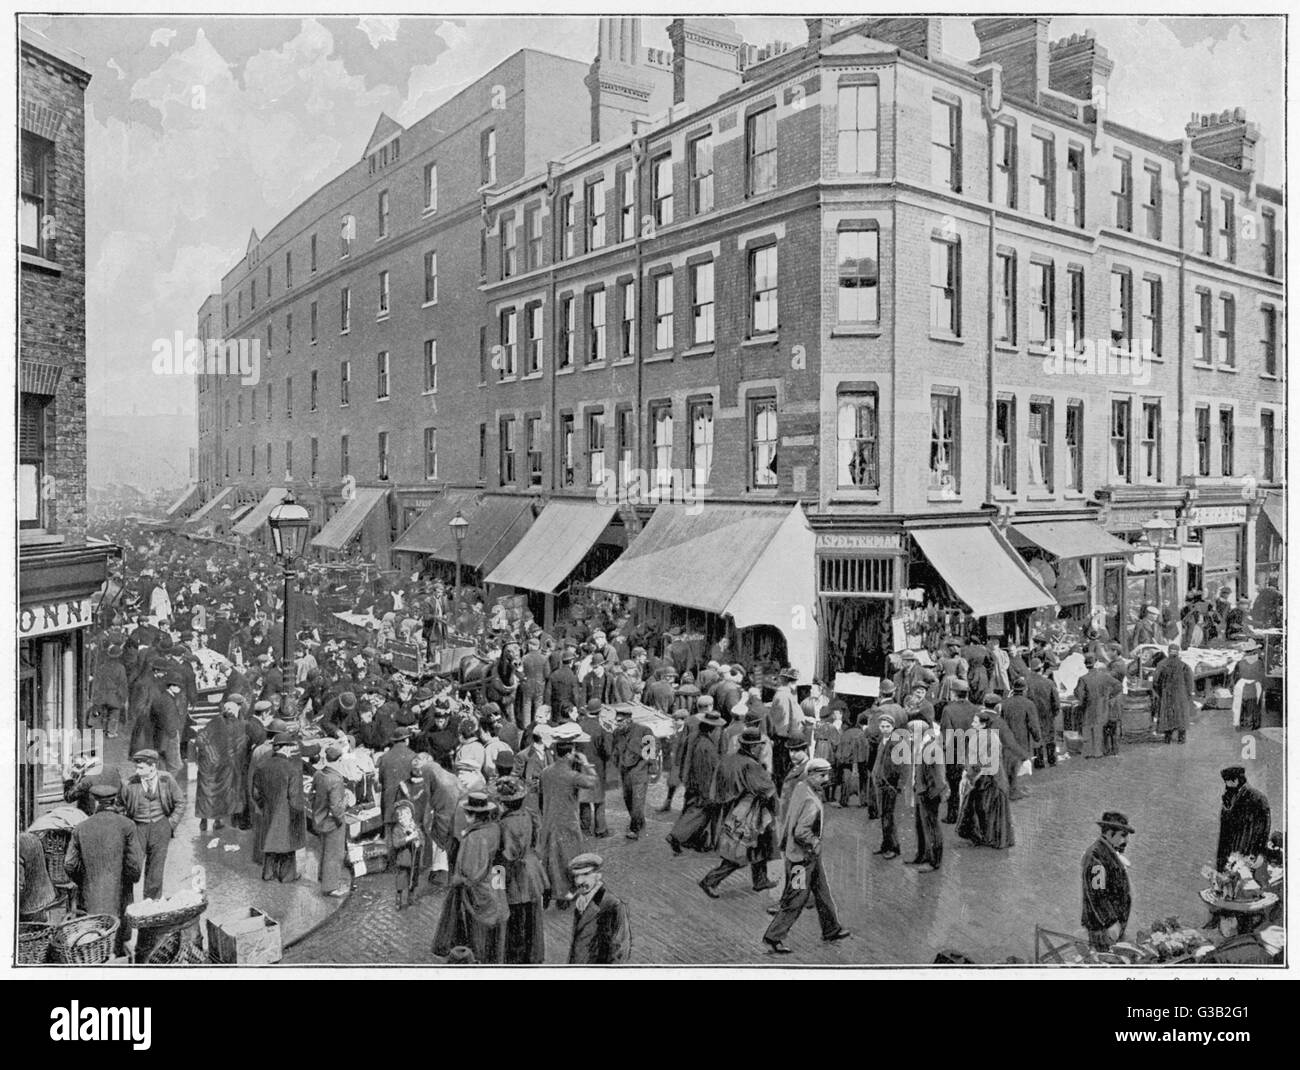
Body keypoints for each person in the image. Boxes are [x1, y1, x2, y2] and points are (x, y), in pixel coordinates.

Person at [762, 759, 851, 954]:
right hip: (803, 858)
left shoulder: (802, 787)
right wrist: (815, 842)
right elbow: (802, 832)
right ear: (811, 775)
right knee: (796, 898)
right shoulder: (811, 800)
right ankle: (773, 936)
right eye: (822, 775)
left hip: (805, 856)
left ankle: (831, 928)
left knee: (822, 892)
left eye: (827, 774)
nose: (826, 779)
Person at [698, 728, 778, 898]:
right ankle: (710, 880)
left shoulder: (728, 759)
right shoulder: (751, 765)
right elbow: (767, 788)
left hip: (729, 809)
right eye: (757, 746)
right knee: (739, 852)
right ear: (751, 747)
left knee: (757, 846)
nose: (759, 749)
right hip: (747, 812)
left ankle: (760, 880)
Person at [432, 791, 507, 963]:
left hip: (478, 892)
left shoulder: (474, 837)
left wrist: (457, 880)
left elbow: (470, 872)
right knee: (494, 927)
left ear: (472, 815)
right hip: (495, 883)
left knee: (477, 933)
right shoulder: (494, 827)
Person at [538, 724, 598, 908]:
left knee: (551, 859)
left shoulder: (545, 772)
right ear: (570, 752)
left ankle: (549, 891)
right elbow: (593, 782)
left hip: (549, 822)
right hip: (568, 824)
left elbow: (541, 798)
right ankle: (565, 895)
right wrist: (586, 764)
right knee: (570, 860)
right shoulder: (572, 775)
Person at [118, 749, 185, 900]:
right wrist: (128, 826)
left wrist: (170, 824)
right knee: (132, 867)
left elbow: (180, 802)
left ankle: (152, 904)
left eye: (140, 767)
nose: (137, 770)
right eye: (136, 767)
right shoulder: (129, 783)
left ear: (152, 766)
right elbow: (119, 807)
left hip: (161, 827)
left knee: (156, 869)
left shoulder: (166, 779)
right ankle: (127, 905)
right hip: (138, 828)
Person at [495, 776, 548, 964]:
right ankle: (533, 958)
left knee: (515, 925)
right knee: (532, 919)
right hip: (532, 872)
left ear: (504, 803)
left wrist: (496, 885)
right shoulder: (529, 814)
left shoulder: (503, 824)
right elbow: (535, 842)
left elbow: (505, 856)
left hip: (514, 878)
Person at [666, 709, 724, 854]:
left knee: (693, 812)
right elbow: (707, 770)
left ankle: (695, 840)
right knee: (698, 814)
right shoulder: (707, 747)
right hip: (703, 786)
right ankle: (677, 836)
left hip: (692, 782)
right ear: (712, 728)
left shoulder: (695, 738)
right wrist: (708, 792)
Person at [252, 733, 307, 882]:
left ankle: (268, 873)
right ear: (286, 748)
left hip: (269, 811)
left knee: (270, 844)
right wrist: (298, 816)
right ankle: (287, 876)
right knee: (287, 847)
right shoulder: (292, 769)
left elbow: (256, 793)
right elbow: (295, 798)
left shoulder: (262, 766)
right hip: (287, 814)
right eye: (289, 747)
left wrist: (265, 806)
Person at [956, 711, 1015, 850]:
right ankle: (994, 837)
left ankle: (983, 836)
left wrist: (968, 774)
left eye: (975, 722)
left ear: (982, 725)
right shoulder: (992, 735)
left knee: (980, 806)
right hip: (996, 777)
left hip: (986, 778)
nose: (972, 724)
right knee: (991, 808)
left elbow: (977, 761)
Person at [1081, 811, 1135, 951]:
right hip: (1103, 928)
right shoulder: (1096, 855)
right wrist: (1110, 922)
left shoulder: (1107, 853)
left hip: (1112, 927)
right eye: (1122, 835)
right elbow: (1097, 894)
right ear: (1110, 833)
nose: (1126, 841)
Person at [567, 852, 632, 964]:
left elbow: (619, 950)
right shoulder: (581, 901)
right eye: (576, 876)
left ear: (598, 875)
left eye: (585, 874)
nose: (579, 881)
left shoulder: (613, 905)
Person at [311, 744, 349, 898]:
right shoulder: (336, 779)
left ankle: (322, 876)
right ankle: (330, 887)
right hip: (332, 822)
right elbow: (336, 807)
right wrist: (346, 801)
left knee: (324, 851)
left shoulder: (318, 774)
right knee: (334, 854)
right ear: (339, 760)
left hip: (319, 819)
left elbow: (312, 795)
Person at [908, 719, 947, 872]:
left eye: (912, 733)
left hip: (928, 793)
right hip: (920, 791)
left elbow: (939, 776)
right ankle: (922, 855)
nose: (910, 736)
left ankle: (934, 861)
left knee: (931, 827)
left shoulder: (931, 748)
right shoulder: (922, 745)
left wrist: (934, 793)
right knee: (920, 825)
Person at [610, 704, 653, 840]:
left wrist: (651, 769)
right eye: (617, 721)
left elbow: (651, 750)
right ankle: (640, 824)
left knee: (637, 802)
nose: (618, 723)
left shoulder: (644, 730)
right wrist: (617, 765)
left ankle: (634, 829)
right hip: (625, 772)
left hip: (640, 771)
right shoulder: (617, 733)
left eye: (620, 721)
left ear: (629, 720)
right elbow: (614, 751)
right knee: (628, 800)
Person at [194, 697, 237, 832]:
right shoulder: (232, 725)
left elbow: (200, 739)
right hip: (220, 765)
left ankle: (204, 820)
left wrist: (207, 755)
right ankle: (217, 820)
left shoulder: (214, 721)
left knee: (205, 793)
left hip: (208, 764)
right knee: (220, 793)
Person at [1216, 767, 1271, 870]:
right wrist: (1220, 864)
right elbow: (1224, 835)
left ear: (1235, 781)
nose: (1226, 786)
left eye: (1227, 782)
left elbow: (1264, 830)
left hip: (1249, 857)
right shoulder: (1229, 801)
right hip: (1231, 860)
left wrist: (1260, 854)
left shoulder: (1257, 798)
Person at [939, 679, 977, 823]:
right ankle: (970, 816)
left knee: (954, 785)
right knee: (972, 783)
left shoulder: (948, 710)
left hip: (954, 752)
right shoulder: (976, 709)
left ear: (953, 693)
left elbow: (947, 734)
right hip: (972, 751)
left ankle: (952, 815)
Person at [575, 698, 612, 838]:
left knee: (584, 799)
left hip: (581, 766)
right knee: (599, 800)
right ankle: (600, 829)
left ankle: (584, 828)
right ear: (599, 711)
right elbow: (607, 752)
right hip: (597, 768)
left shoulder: (579, 725)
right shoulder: (601, 729)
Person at [999, 678, 1040, 799]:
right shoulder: (1028, 704)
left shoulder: (1004, 703)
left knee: (1008, 764)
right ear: (1025, 690)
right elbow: (1033, 724)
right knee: (1016, 765)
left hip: (1006, 738)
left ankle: (1008, 789)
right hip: (1021, 739)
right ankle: (1013, 791)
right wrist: (1037, 737)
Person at [871, 711, 904, 860]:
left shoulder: (895, 742)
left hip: (889, 784)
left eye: (887, 726)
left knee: (888, 816)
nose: (884, 729)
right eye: (882, 726)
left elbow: (900, 766)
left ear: (893, 727)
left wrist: (897, 785)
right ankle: (886, 845)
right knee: (884, 815)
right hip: (880, 782)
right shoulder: (882, 740)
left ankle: (893, 847)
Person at [1073, 654, 1117, 759]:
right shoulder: (1104, 676)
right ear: (1096, 663)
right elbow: (1118, 686)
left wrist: (1080, 700)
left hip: (1088, 707)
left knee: (1088, 728)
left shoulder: (1083, 679)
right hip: (1102, 707)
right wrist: (1109, 695)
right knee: (1099, 728)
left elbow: (1079, 694)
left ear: (1085, 665)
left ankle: (1088, 753)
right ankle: (1099, 752)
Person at [1151, 643, 1194, 744]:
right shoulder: (1184, 666)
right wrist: (1188, 694)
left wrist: (1160, 693)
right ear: (1178, 653)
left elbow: (1155, 682)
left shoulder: (1162, 665)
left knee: (1167, 717)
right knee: (1181, 717)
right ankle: (1181, 739)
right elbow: (1190, 682)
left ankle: (1167, 738)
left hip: (1167, 695)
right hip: (1181, 695)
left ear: (1168, 652)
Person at [389, 798, 424, 911]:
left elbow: (421, 838)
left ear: (410, 817)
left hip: (413, 861)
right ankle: (398, 900)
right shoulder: (397, 829)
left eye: (404, 817)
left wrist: (418, 841)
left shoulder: (414, 827)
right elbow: (396, 844)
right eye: (399, 818)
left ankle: (411, 898)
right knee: (400, 882)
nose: (401, 820)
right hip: (403, 860)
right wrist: (408, 838)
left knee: (412, 881)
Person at [1026, 657, 1060, 768]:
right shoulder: (1049, 683)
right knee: (1050, 737)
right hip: (1047, 714)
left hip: (1033, 715)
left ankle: (1039, 762)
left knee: (1037, 738)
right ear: (1040, 669)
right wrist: (1054, 713)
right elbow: (1056, 702)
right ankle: (1052, 760)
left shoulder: (1027, 683)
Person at [19, 830, 58, 923]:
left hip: (28, 906)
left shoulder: (16, 844)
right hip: (44, 897)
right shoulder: (32, 838)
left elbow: (19, 884)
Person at [1232, 641, 1267, 732]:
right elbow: (1262, 676)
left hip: (1243, 687)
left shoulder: (1240, 663)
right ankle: (1254, 724)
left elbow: (1235, 677)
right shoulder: (1260, 663)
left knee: (1241, 706)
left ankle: (1242, 723)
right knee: (1253, 705)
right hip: (1254, 687)